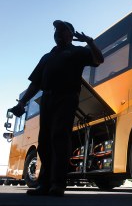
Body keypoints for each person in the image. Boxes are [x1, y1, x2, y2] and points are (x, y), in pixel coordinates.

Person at [9, 20, 104, 197]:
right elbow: (36, 83)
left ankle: (57, 184)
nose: (58, 33)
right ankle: (44, 184)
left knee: (59, 137)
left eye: (62, 30)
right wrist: (22, 103)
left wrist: (89, 42)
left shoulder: (77, 51)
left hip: (66, 97)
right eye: (56, 31)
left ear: (71, 34)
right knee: (44, 141)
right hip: (47, 100)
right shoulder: (47, 57)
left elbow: (99, 59)